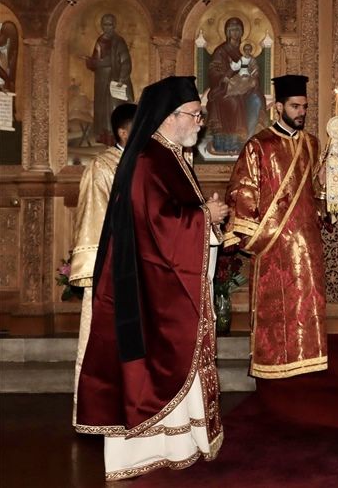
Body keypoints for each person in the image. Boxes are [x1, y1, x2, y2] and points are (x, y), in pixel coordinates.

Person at [74, 76, 229, 481]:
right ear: (169, 116)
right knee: (155, 361)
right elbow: (158, 224)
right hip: (149, 286)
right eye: (195, 115)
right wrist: (205, 217)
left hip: (163, 280)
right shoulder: (148, 159)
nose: (200, 123)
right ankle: (148, 449)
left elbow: (172, 213)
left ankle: (182, 443)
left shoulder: (168, 154)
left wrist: (201, 214)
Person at [223, 74, 328, 378]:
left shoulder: (311, 144)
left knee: (307, 302)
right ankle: (274, 363)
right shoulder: (259, 145)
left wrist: (328, 184)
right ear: (279, 107)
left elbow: (314, 192)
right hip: (275, 243)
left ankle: (308, 360)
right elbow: (243, 189)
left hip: (307, 241)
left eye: (305, 107)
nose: (301, 112)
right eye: (295, 106)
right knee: (276, 306)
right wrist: (253, 234)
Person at [69, 102, 136, 421]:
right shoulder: (103, 166)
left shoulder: (143, 162)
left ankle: (137, 406)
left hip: (141, 265)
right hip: (113, 267)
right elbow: (93, 219)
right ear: (123, 132)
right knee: (105, 341)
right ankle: (100, 410)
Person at [207, 17, 266, 153]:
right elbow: (213, 71)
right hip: (224, 89)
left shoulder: (243, 52)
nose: (235, 33)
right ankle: (229, 143)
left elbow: (253, 69)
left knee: (257, 100)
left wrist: (253, 78)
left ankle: (249, 139)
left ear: (242, 32)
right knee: (233, 102)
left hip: (244, 87)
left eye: (238, 29)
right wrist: (225, 77)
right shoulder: (221, 51)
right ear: (227, 32)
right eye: (232, 30)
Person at [84, 13, 134, 146]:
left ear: (114, 25)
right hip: (101, 80)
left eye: (110, 24)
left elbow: (126, 61)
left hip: (114, 80)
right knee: (102, 109)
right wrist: (91, 62)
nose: (107, 27)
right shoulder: (100, 40)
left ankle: (116, 138)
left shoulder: (119, 41)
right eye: (105, 24)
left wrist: (121, 79)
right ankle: (104, 137)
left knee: (113, 108)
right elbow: (96, 60)